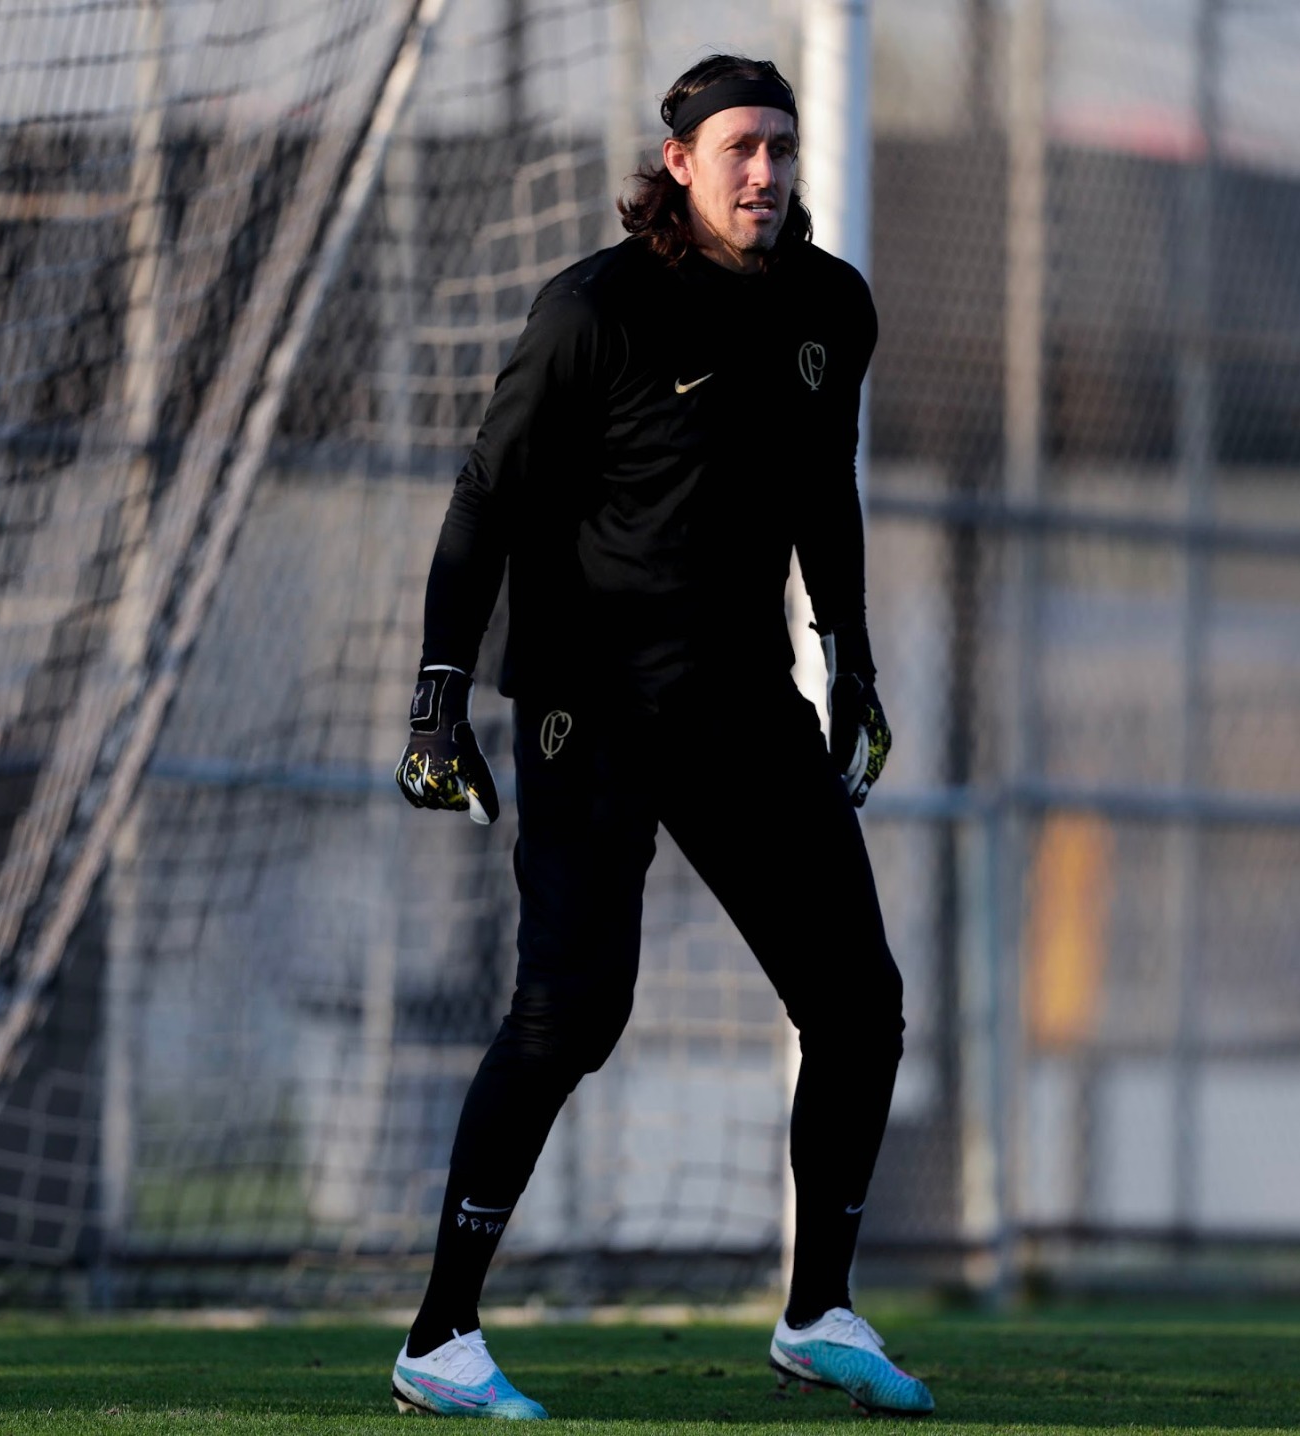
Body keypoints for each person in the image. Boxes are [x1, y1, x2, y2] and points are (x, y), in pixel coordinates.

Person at [388, 53, 933, 1420]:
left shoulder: (830, 308)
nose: (767, 171)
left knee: (859, 1005)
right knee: (573, 1012)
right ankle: (440, 1338)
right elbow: (483, 500)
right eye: (741, 147)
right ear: (679, 163)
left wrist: (853, 664)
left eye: (782, 148)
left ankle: (818, 1314)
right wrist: (438, 695)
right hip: (592, 701)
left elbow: (825, 493)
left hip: (743, 701)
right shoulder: (594, 309)